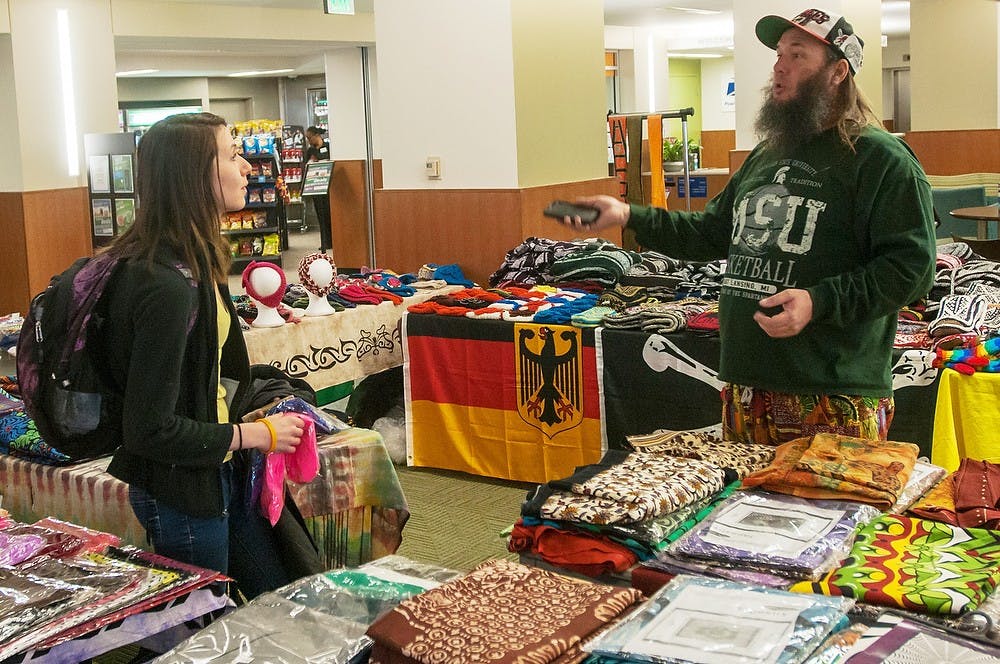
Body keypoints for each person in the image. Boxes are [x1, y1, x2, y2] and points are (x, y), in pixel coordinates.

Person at [554, 8, 936, 445]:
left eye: (798, 55)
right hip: (745, 386)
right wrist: (627, 215)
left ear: (838, 72)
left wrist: (819, 301)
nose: (779, 65)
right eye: (778, 54)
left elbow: (911, 268)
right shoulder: (766, 155)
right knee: (739, 513)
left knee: (831, 516)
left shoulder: (880, 160)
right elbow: (711, 232)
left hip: (832, 393)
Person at [97, 112, 321, 600]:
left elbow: (199, 375)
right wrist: (257, 435)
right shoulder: (165, 283)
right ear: (196, 173)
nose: (246, 168)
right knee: (200, 627)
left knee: (261, 595)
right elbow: (149, 428)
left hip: (210, 470)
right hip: (183, 487)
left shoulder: (191, 263)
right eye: (232, 155)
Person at [305, 125, 333, 252]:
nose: (308, 141)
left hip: (327, 187)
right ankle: (325, 241)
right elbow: (306, 166)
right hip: (315, 187)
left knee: (329, 214)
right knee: (320, 215)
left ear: (317, 135)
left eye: (309, 137)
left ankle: (332, 241)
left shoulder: (328, 147)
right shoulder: (310, 151)